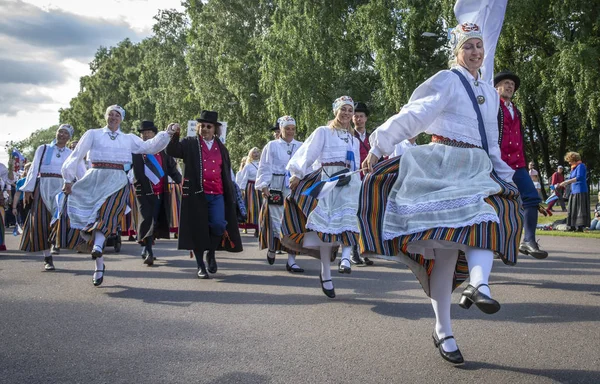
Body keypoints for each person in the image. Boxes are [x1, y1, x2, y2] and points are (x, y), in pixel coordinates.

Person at [360, 22, 523, 364]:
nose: (475, 52)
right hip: (444, 163)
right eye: (468, 47)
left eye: (479, 46)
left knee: (488, 218)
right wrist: (379, 145)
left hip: (476, 167)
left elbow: (490, 140)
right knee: (446, 256)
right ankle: (443, 330)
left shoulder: (491, 92)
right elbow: (416, 114)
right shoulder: (449, 80)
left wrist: (503, 174)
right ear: (457, 52)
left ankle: (479, 285)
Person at [59, 105, 175, 286]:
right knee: (92, 217)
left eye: (117, 115)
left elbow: (149, 147)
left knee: (107, 213)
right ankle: (99, 265)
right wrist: (68, 179)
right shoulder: (93, 134)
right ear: (105, 117)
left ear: (121, 119)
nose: (113, 118)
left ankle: (98, 246)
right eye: (110, 114)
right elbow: (77, 155)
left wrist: (167, 133)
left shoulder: (128, 138)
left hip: (117, 180)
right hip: (95, 177)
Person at [281, 97, 361, 298]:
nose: (346, 113)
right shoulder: (324, 132)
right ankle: (326, 273)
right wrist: (297, 174)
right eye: (343, 109)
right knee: (325, 231)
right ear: (336, 111)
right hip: (328, 181)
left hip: (349, 182)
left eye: (350, 110)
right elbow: (308, 152)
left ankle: (345, 258)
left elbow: (357, 165)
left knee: (352, 219)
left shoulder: (353, 139)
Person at [165, 111, 243, 279]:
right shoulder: (190, 143)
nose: (205, 129)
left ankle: (212, 253)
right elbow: (171, 150)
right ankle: (200, 266)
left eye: (209, 126)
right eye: (203, 126)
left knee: (219, 225)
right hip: (196, 195)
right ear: (198, 127)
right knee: (197, 230)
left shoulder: (221, 147)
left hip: (217, 193)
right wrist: (173, 133)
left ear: (215, 129)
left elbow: (226, 171)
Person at [494, 70, 548, 259]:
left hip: (517, 164)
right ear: (496, 87)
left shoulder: (516, 110)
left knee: (531, 198)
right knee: (496, 202)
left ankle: (528, 241)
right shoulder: (492, 106)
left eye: (512, 85)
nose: (510, 86)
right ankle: (494, 244)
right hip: (496, 163)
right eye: (506, 83)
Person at [19, 125, 79, 270]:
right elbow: (34, 168)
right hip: (44, 184)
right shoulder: (44, 148)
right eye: (60, 132)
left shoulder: (71, 153)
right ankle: (48, 257)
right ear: (56, 133)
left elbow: (75, 171)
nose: (62, 135)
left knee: (61, 218)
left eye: (66, 133)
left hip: (62, 187)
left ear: (69, 137)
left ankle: (55, 242)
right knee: (41, 220)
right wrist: (28, 188)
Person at [132, 120, 182, 266]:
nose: (146, 135)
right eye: (143, 133)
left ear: (155, 134)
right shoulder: (136, 151)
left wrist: (181, 181)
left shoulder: (163, 151)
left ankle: (147, 246)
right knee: (147, 219)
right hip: (143, 191)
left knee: (154, 219)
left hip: (160, 191)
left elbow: (172, 168)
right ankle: (149, 251)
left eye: (149, 132)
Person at [350, 102, 374, 266]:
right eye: (355, 116)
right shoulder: (348, 136)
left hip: (368, 181)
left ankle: (363, 250)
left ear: (366, 119)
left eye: (361, 116)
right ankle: (353, 252)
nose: (358, 119)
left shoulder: (373, 138)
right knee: (354, 215)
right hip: (353, 180)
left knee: (366, 216)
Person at [560, 152, 590, 232]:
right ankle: (572, 226)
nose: (569, 163)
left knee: (579, 209)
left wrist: (567, 182)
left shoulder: (581, 166)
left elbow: (579, 177)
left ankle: (580, 227)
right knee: (572, 209)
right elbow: (570, 178)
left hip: (580, 190)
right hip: (573, 191)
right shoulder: (573, 168)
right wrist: (563, 183)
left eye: (570, 161)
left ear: (574, 160)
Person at [238, 148, 262, 236]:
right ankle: (255, 227)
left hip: (261, 187)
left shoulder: (263, 164)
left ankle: (259, 227)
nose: (256, 154)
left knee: (261, 207)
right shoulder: (248, 166)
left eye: (257, 152)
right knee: (253, 207)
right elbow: (244, 178)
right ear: (250, 155)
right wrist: (241, 189)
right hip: (251, 188)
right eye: (254, 152)